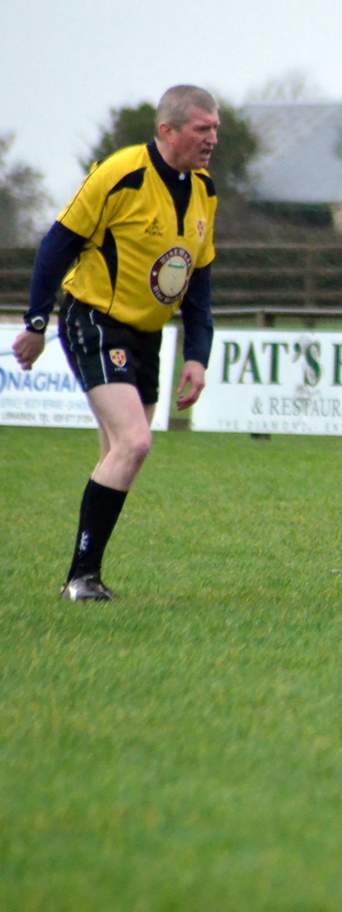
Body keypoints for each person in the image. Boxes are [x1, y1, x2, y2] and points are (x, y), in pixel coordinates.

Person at [10, 85, 220, 602]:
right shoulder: (120, 173)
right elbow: (56, 245)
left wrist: (197, 356)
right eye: (202, 128)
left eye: (216, 129)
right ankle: (80, 578)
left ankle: (87, 574)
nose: (212, 138)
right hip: (95, 319)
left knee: (121, 453)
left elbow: (200, 283)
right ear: (167, 130)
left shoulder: (204, 190)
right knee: (134, 442)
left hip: (148, 333)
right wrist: (35, 322)